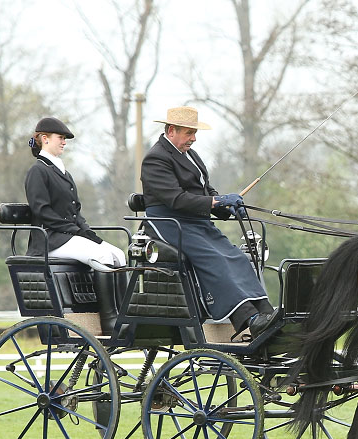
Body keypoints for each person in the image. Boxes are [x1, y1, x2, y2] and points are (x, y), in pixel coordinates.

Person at [140, 105, 274, 339]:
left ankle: (266, 312)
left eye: (194, 133)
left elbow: (205, 190)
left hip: (195, 222)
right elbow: (176, 199)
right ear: (171, 131)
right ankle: (249, 318)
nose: (193, 138)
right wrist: (216, 201)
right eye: (189, 133)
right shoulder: (156, 158)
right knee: (215, 259)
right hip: (169, 223)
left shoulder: (190, 155)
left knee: (236, 256)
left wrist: (226, 208)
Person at [24, 117, 127, 333]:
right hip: (51, 238)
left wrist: (88, 233)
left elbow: (76, 211)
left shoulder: (64, 173)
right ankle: (110, 320)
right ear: (45, 139)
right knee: (103, 257)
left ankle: (124, 313)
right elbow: (42, 211)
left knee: (118, 254)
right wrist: (75, 232)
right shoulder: (38, 171)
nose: (64, 142)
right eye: (60, 138)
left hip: (68, 235)